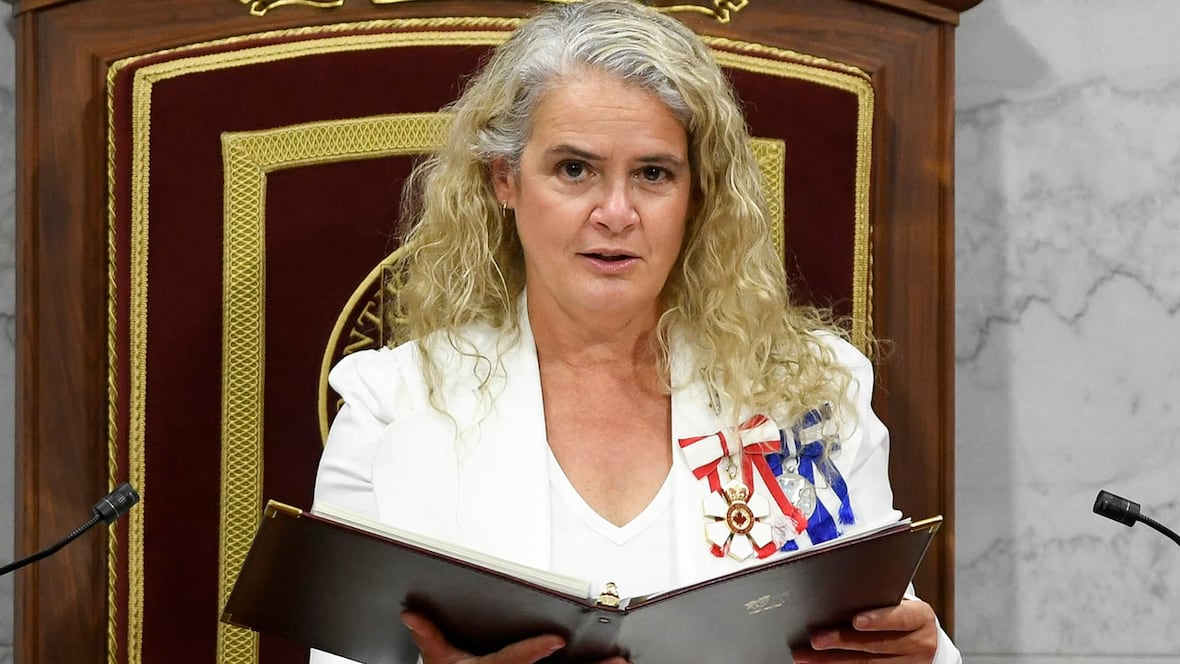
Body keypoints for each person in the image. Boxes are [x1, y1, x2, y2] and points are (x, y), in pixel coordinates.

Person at [312, 1, 961, 663]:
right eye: (575, 170)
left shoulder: (812, 390)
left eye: (653, 174)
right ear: (504, 179)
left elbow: (881, 637)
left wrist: (925, 656)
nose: (616, 213)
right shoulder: (391, 409)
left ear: (696, 194)